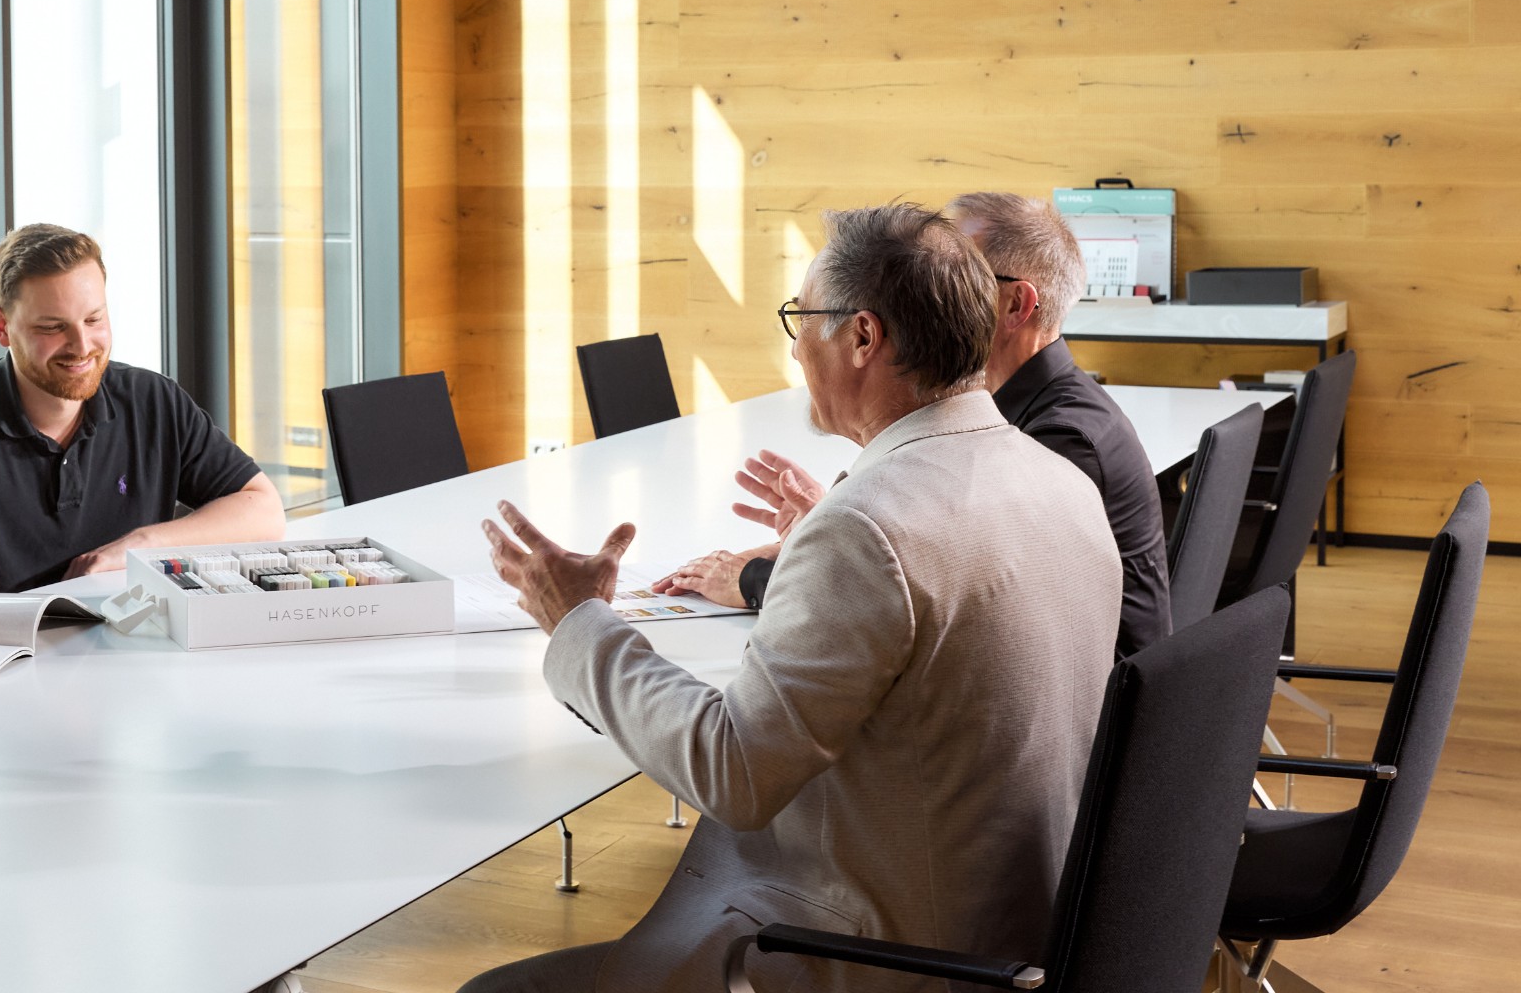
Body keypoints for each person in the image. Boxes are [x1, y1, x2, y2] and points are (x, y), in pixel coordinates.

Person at [471, 204, 1121, 993]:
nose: (793, 343)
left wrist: (580, 623)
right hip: (1027, 932)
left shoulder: (867, 528)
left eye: (801, 318)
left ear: (863, 337)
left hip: (892, 960)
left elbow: (733, 772)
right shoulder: (1061, 481)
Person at [672, 191, 1174, 657]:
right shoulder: (1026, 414)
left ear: (1017, 304)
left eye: (964, 277)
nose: (938, 290)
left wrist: (767, 573)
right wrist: (826, 533)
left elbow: (947, 590)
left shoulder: (1060, 443)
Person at [0, 224, 283, 594]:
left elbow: (263, 511)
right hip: (4, 651)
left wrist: (140, 545)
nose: (82, 346)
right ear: (1, 327)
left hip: (133, 644)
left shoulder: (154, 400)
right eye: (52, 327)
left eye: (93, 319)